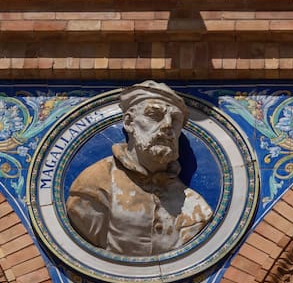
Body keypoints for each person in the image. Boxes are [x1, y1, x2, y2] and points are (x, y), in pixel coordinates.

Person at [66, 81, 212, 257]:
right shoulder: (94, 186)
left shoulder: (196, 206)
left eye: (174, 120)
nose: (167, 126)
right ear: (129, 123)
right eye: (154, 115)